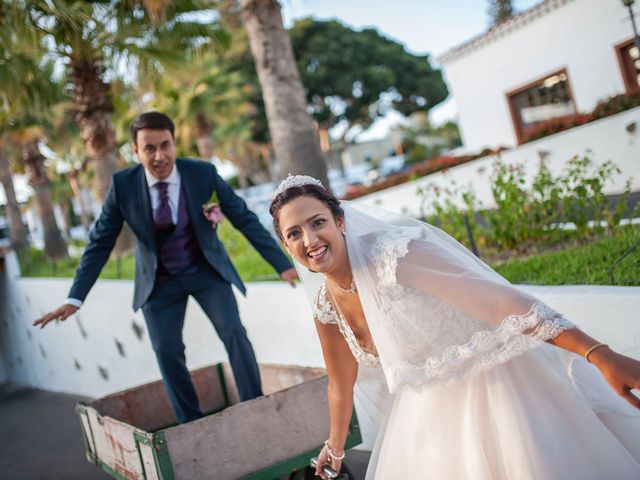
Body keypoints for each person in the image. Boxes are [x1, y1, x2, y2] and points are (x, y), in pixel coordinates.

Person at [269, 174, 640, 480]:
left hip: (501, 387)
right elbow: (340, 381)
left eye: (318, 222)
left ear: (340, 221)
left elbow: (500, 302)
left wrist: (598, 354)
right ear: (288, 247)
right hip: (429, 413)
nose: (310, 240)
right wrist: (334, 448)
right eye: (295, 233)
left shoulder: (395, 256)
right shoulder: (326, 307)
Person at [34, 111, 298, 424]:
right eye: (149, 148)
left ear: (174, 143)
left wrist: (283, 264)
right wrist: (75, 298)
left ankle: (256, 408)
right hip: (159, 282)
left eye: (165, 145)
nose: (159, 156)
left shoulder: (202, 173)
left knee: (234, 333)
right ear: (135, 151)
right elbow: (99, 244)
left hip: (205, 271)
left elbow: (243, 218)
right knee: (166, 350)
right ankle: (192, 424)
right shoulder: (123, 185)